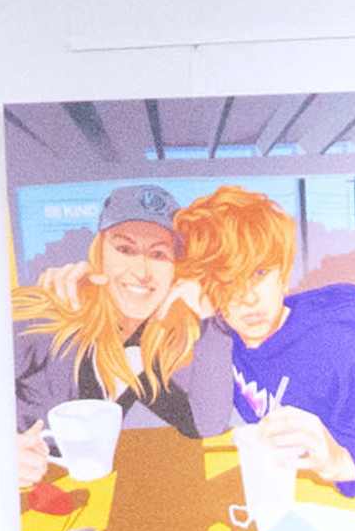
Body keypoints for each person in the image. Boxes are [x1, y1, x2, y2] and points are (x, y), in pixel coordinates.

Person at [175, 182, 355, 507]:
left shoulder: (343, 353)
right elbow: (200, 418)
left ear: (284, 272)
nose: (247, 297)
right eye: (227, 280)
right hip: (287, 509)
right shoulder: (223, 339)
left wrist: (342, 460)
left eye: (259, 272)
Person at [12, 184, 212, 486]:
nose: (142, 271)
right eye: (125, 249)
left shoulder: (145, 342)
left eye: (158, 254)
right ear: (99, 256)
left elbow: (202, 424)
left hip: (75, 500)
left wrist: (210, 321)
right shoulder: (46, 314)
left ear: (175, 271)